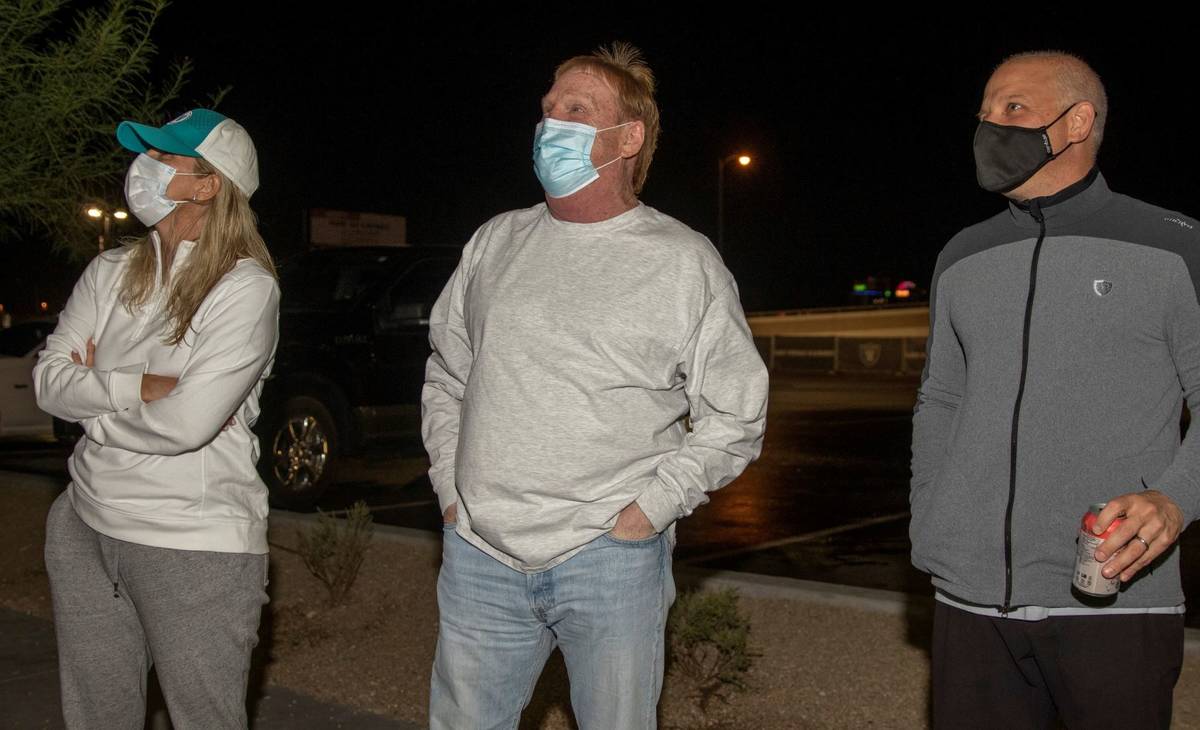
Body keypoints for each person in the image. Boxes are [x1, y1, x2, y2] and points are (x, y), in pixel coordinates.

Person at [422, 43, 769, 729]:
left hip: (607, 560)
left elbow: (737, 412)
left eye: (576, 110)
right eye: (548, 110)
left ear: (627, 136)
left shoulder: (681, 261)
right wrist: (449, 486)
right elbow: (447, 369)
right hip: (480, 553)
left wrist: (648, 513)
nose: (551, 124)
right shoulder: (495, 242)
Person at [911, 51, 1196, 728]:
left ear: (1078, 122)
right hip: (970, 603)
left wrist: (1177, 498)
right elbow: (941, 400)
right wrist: (932, 523)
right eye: (984, 111)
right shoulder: (961, 256)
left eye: (1014, 108)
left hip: (1116, 602)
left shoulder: (1171, 245)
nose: (989, 126)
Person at [34, 108, 279, 728]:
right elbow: (46, 380)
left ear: (208, 184)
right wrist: (144, 386)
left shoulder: (245, 288)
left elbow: (186, 425)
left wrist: (91, 402)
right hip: (85, 525)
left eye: (165, 156)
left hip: (192, 543)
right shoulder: (111, 270)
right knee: (95, 717)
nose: (144, 166)